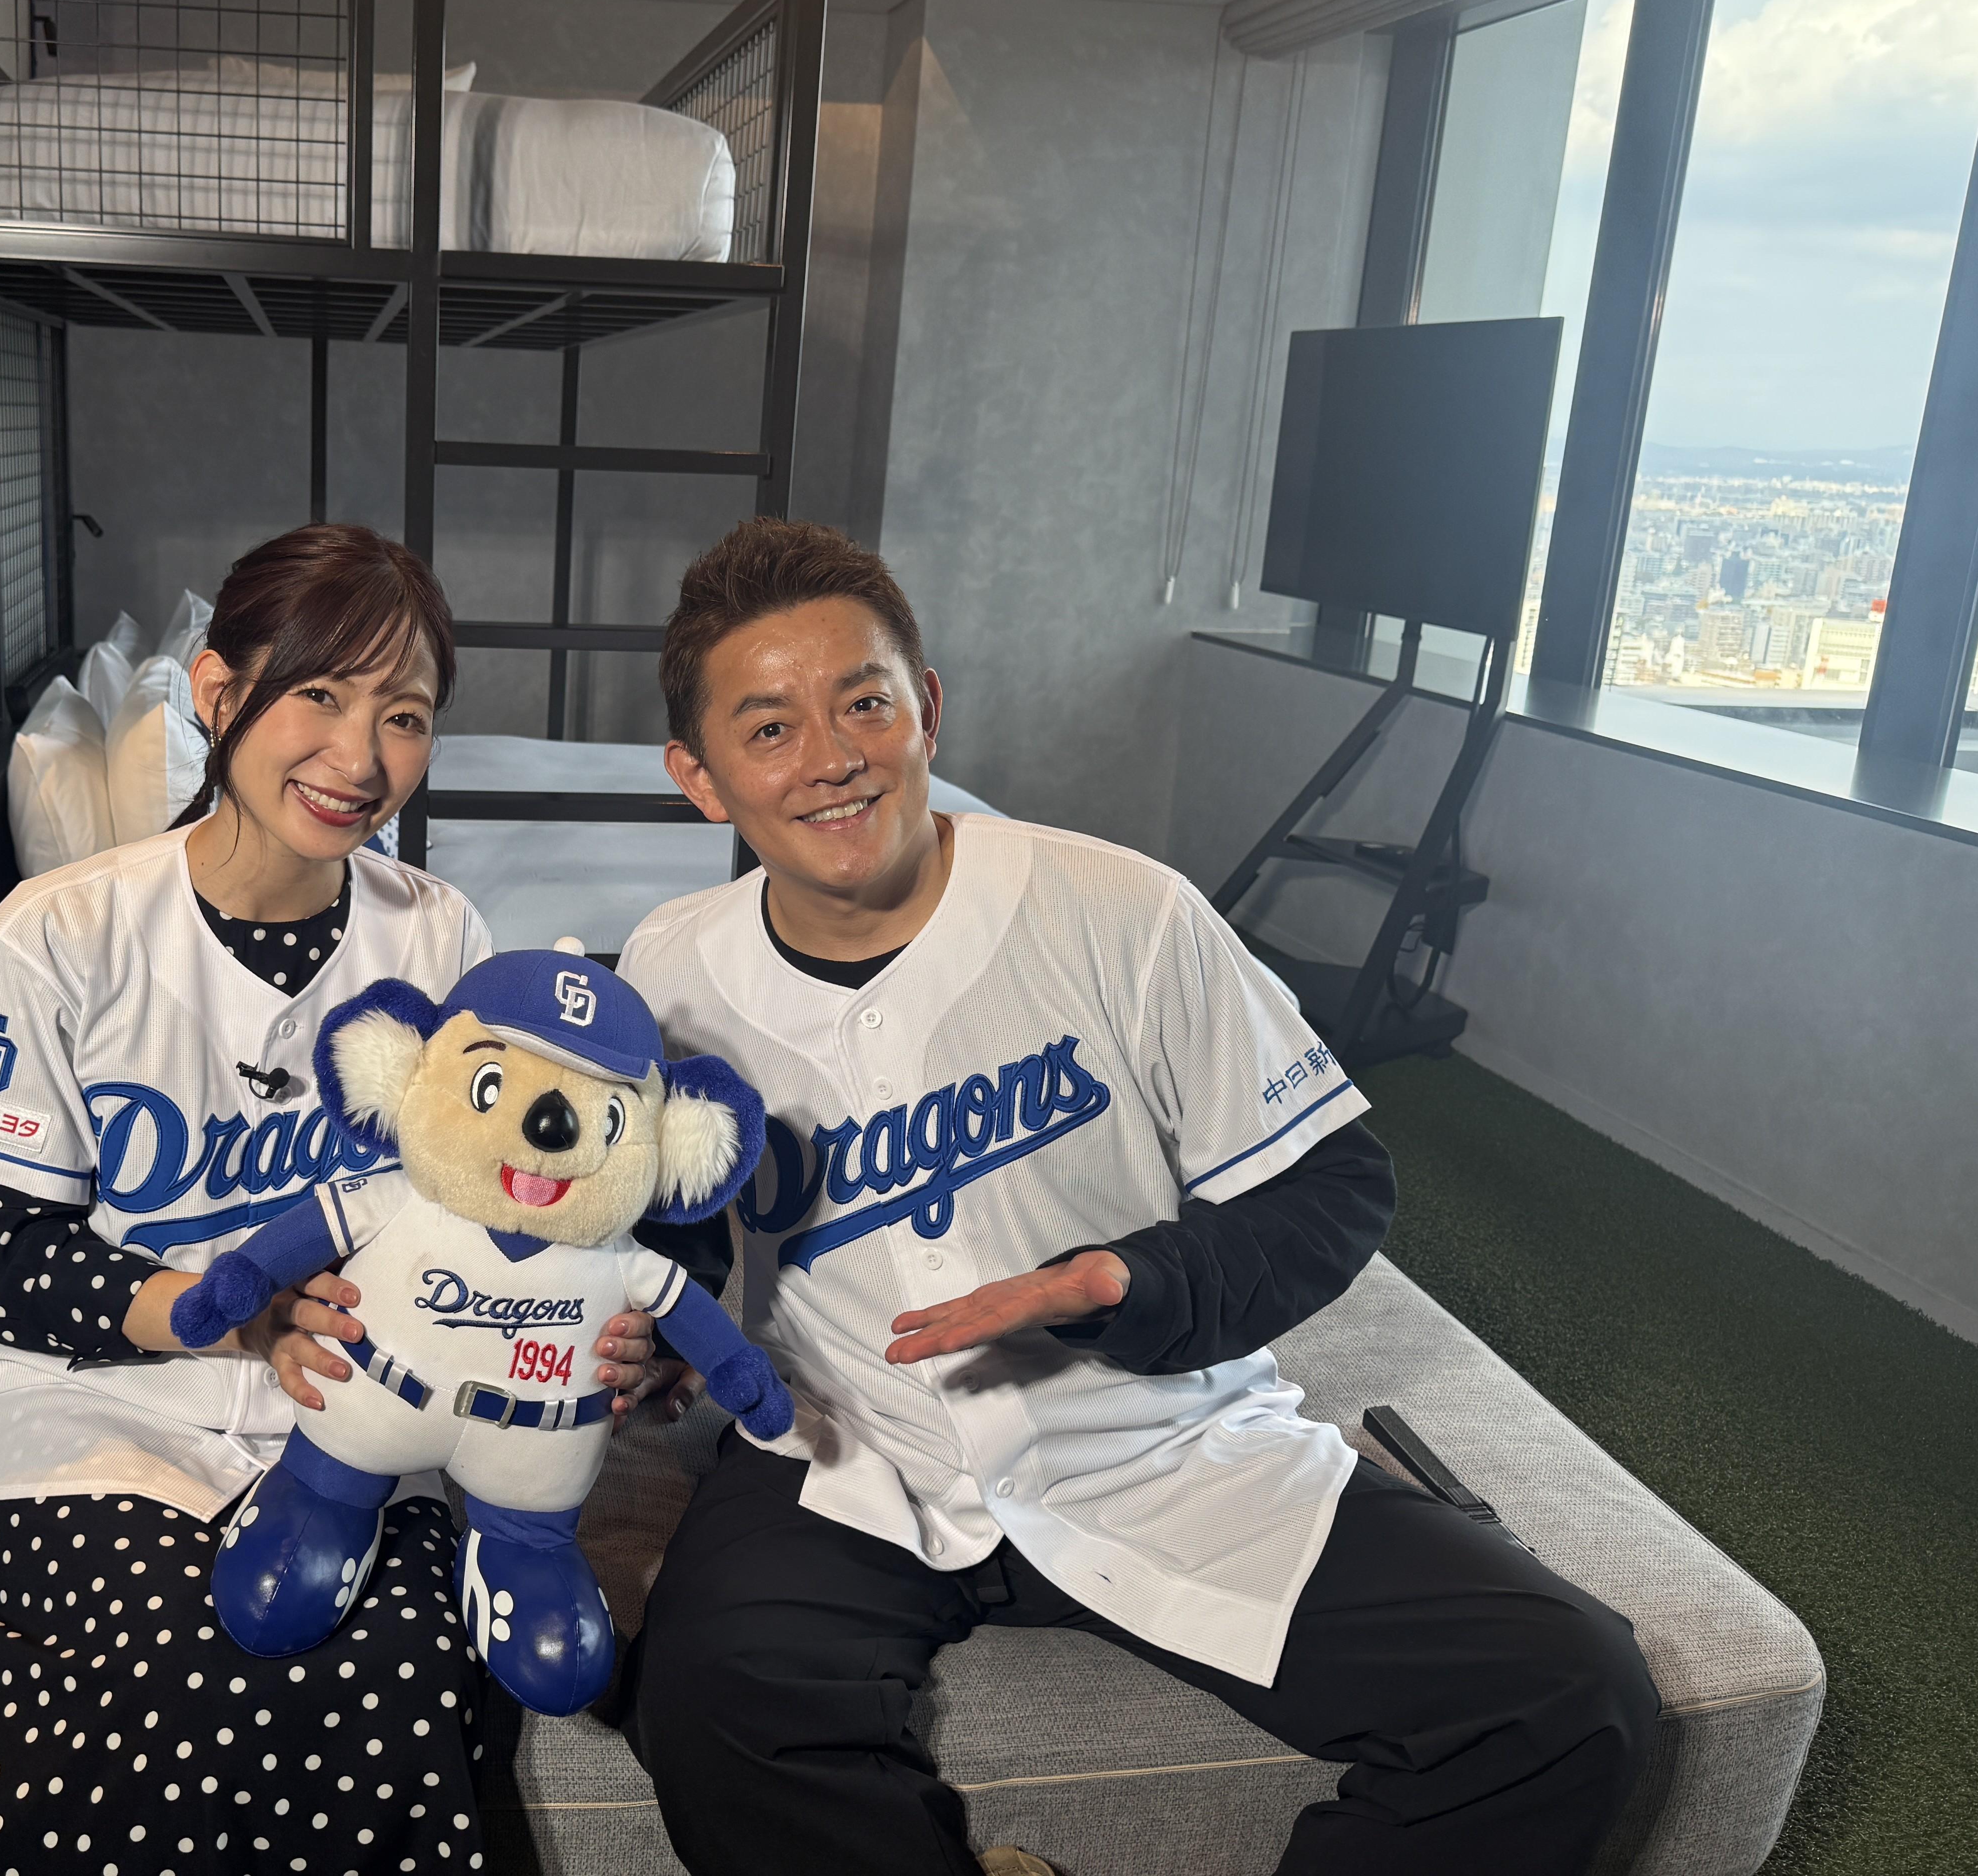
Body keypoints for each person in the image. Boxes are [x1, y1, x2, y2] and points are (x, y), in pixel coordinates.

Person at [610, 519, 1657, 1876]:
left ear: (928, 709)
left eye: (864, 702)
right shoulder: (668, 967)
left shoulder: (1122, 912)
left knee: (1570, 1694)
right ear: (700, 779)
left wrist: (1133, 1280)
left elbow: (1334, 1185)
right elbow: (673, 1222)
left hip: (1157, 1439)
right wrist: (656, 1331)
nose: (832, 757)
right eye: (770, 729)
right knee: (708, 1707)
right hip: (844, 1444)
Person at [0, 522, 669, 1876]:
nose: (359, 756)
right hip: (103, 1411)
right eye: (318, 694)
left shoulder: (439, 935)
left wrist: (599, 1327)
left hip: (368, 1420)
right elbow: (21, 1266)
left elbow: (517, 1207)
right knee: (174, 1665)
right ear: (218, 693)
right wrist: (244, 1319)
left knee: (389, 1678)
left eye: (404, 716)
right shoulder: (57, 932)